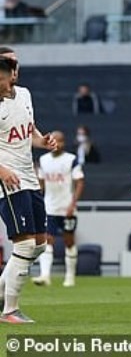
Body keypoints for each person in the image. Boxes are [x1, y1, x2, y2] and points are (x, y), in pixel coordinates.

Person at [0, 47, 56, 323]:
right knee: (24, 245)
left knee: (40, 246)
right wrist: (1, 170)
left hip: (29, 177)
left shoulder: (24, 95)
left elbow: (29, 130)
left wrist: (43, 141)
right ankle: (10, 310)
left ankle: (2, 290)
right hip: (7, 181)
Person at [32, 130, 84, 288]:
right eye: (54, 140)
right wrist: (38, 201)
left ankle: (70, 277)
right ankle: (45, 275)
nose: (57, 144)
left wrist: (73, 204)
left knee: (69, 241)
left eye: (60, 141)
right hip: (49, 207)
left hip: (67, 207)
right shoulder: (43, 159)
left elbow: (80, 182)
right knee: (47, 240)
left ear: (64, 143)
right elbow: (41, 183)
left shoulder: (71, 160)